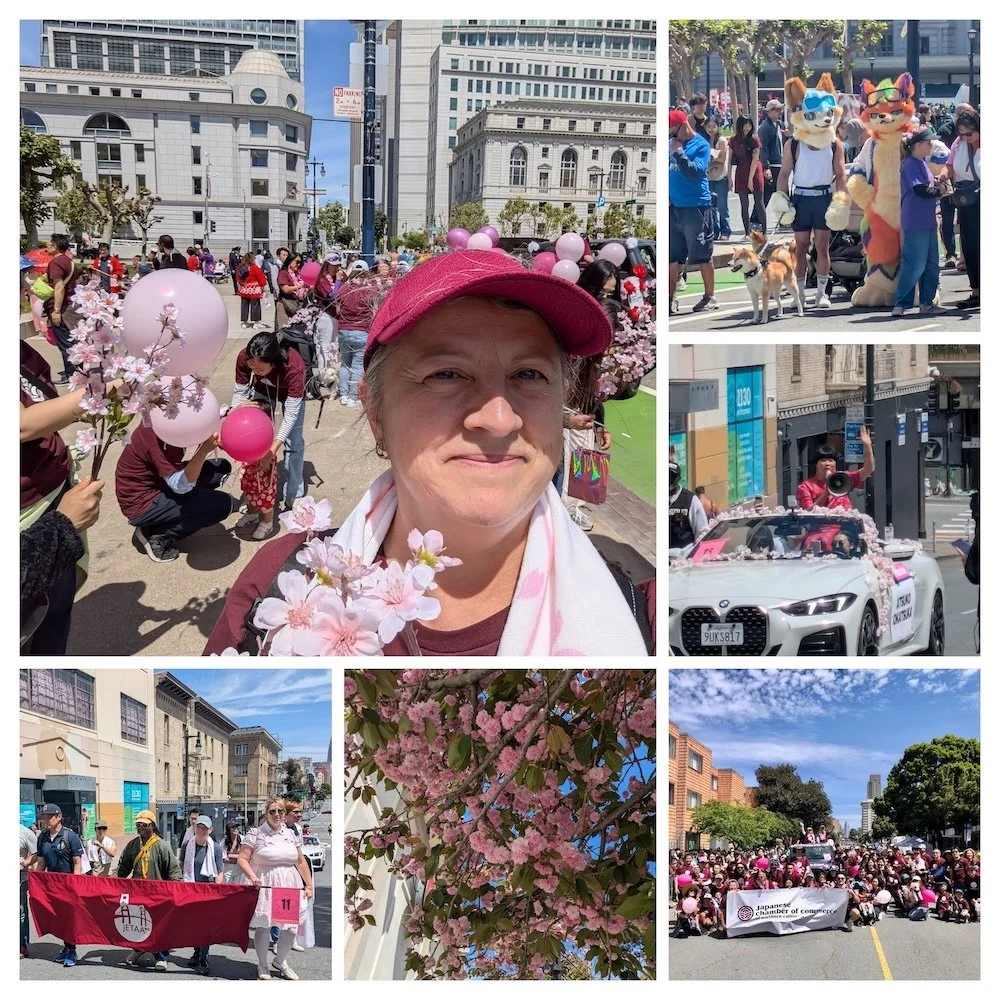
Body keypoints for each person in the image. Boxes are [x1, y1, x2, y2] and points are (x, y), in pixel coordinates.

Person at [204, 249, 652, 656]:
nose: (499, 419)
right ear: (376, 411)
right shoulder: (283, 587)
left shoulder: (642, 620)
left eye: (530, 374)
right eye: (447, 374)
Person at [20, 333, 105, 654]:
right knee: (27, 624)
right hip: (29, 519)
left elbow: (44, 414)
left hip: (56, 497)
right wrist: (104, 393)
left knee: (56, 610)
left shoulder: (24, 353)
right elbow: (20, 425)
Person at [115, 423, 237, 563]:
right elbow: (180, 486)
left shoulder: (167, 423)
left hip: (158, 482)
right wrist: (203, 450)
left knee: (220, 469)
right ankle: (157, 533)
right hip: (141, 503)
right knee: (224, 505)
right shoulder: (159, 438)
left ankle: (181, 510)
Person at [236, 798, 314, 980]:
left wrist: (308, 884)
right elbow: (242, 858)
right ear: (266, 813)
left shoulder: (290, 834)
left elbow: (300, 861)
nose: (277, 814)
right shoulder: (256, 834)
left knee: (291, 928)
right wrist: (253, 877)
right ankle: (262, 964)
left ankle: (280, 960)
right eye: (272, 811)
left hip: (289, 886)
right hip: (265, 885)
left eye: (280, 811)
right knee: (265, 925)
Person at [231, 331, 308, 509]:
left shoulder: (293, 365)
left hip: (291, 395)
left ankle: (294, 494)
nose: (255, 370)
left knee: (294, 444)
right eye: (252, 368)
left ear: (273, 363)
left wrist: (273, 448)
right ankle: (255, 490)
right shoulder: (245, 357)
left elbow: (290, 414)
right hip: (263, 391)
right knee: (254, 438)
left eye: (260, 369)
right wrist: (236, 411)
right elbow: (239, 392)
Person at [115, 811, 182, 970]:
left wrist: (177, 891)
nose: (141, 828)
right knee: (137, 923)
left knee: (159, 925)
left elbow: (173, 871)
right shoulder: (132, 845)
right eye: (138, 825)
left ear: (152, 825)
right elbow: (123, 868)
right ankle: (138, 950)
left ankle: (161, 956)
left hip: (157, 893)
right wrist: (113, 883)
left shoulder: (162, 846)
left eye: (144, 825)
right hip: (137, 893)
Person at [893, 129, 948, 317]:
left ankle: (927, 302)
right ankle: (901, 303)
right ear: (917, 145)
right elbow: (920, 190)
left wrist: (938, 186)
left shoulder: (921, 163)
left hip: (927, 221)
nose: (931, 145)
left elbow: (926, 188)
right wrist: (940, 191)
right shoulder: (910, 164)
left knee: (932, 263)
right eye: (928, 143)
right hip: (915, 221)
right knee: (914, 264)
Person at [669, 109, 717, 315]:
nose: (671, 136)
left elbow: (695, 172)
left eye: (673, 131)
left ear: (684, 126)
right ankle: (670, 298)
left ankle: (709, 296)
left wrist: (679, 153)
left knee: (702, 255)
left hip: (697, 207)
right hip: (674, 208)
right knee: (672, 258)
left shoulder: (701, 145)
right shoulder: (668, 144)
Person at [34, 804, 84, 967]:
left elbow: (77, 863)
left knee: (69, 919)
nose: (45, 819)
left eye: (49, 816)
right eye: (44, 816)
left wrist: (76, 885)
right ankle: (66, 947)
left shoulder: (70, 836)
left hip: (69, 885)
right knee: (58, 919)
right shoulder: (42, 838)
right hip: (51, 887)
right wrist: (37, 886)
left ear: (59, 817)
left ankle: (72, 950)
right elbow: (41, 864)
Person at [944, 110, 980, 310]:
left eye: (970, 134)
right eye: (962, 134)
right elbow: (949, 166)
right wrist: (942, 177)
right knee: (969, 245)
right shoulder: (958, 144)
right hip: (967, 198)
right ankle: (976, 291)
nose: (966, 138)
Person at [179, 816, 224, 976]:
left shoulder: (216, 848)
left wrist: (217, 891)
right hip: (191, 891)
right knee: (193, 925)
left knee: (205, 927)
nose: (201, 830)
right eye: (199, 827)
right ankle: (197, 952)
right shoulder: (187, 845)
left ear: (210, 830)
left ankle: (204, 957)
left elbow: (219, 872)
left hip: (208, 891)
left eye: (205, 828)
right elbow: (182, 864)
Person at [334, 264, 380, 407]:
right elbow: (376, 308)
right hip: (362, 331)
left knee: (345, 364)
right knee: (358, 365)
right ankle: (353, 397)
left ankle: (343, 395)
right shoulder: (369, 290)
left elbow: (336, 306)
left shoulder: (345, 288)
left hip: (344, 330)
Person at [795, 430, 874, 511]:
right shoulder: (806, 486)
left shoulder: (843, 478)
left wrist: (868, 446)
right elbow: (808, 512)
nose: (827, 463)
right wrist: (826, 492)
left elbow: (868, 470)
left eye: (830, 460)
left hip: (845, 522)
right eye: (823, 460)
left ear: (835, 464)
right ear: (816, 464)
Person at [44, 234, 81, 385]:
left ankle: (71, 375)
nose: (47, 247)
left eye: (49, 244)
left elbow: (59, 287)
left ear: (56, 246)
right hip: (71, 307)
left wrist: (56, 310)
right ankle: (74, 370)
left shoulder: (56, 263)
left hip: (63, 308)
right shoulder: (69, 262)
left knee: (65, 343)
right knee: (71, 341)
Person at [728, 115, 767, 239]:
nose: (747, 128)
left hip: (755, 171)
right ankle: (747, 233)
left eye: (749, 125)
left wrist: (750, 179)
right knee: (743, 203)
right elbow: (730, 160)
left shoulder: (755, 139)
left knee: (759, 202)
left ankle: (764, 233)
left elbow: (755, 160)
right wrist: (729, 177)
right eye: (745, 125)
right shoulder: (733, 140)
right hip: (741, 171)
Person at [704, 116, 732, 241]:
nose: (711, 129)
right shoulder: (704, 141)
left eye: (714, 126)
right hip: (708, 178)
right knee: (711, 207)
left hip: (721, 177)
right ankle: (714, 231)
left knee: (722, 206)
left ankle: (725, 231)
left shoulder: (722, 140)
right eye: (709, 126)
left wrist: (709, 164)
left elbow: (721, 159)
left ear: (718, 127)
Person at [669, 461, 707, 551]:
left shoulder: (690, 500)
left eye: (671, 477)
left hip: (682, 557)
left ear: (678, 479)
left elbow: (702, 532)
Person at [758, 99, 786, 211]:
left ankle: (784, 219)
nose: (780, 112)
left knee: (782, 193)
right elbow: (762, 148)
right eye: (776, 110)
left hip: (780, 164)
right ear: (769, 111)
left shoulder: (779, 124)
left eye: (780, 109)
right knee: (767, 194)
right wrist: (766, 167)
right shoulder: (765, 128)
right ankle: (756, 219)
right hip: (772, 165)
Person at [236, 251, 268, 329]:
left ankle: (244, 322)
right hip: (254, 290)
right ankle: (256, 322)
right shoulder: (254, 267)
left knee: (244, 305)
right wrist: (263, 286)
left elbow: (237, 277)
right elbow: (261, 278)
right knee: (255, 306)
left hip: (244, 289)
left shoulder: (241, 267)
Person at [20, 823, 38, 958]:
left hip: (20, 879)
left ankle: (22, 945)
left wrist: (23, 864)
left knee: (20, 912)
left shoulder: (25, 833)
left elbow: (36, 855)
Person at [270, 247, 289, 326]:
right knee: (278, 314)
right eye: (283, 255)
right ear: (278, 256)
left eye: (287, 255)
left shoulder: (284, 266)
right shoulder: (276, 266)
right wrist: (278, 293)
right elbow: (274, 281)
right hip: (279, 295)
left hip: (283, 294)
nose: (285, 257)